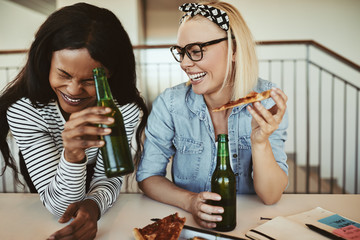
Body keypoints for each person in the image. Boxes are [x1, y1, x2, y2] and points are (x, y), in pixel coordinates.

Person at [0, 3, 148, 240]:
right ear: (45, 61)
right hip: (51, 192)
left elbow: (108, 179)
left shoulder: (121, 109)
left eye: (90, 80)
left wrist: (94, 206)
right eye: (64, 74)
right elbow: (60, 208)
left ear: (110, 74)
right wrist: (72, 154)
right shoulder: (25, 110)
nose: (73, 90)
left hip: (99, 196)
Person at [136, 1, 289, 229]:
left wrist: (260, 142)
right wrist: (190, 201)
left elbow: (271, 196)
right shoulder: (169, 104)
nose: (185, 63)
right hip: (191, 224)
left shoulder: (266, 102)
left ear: (234, 50)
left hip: (249, 224)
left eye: (196, 51)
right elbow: (148, 177)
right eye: (181, 52)